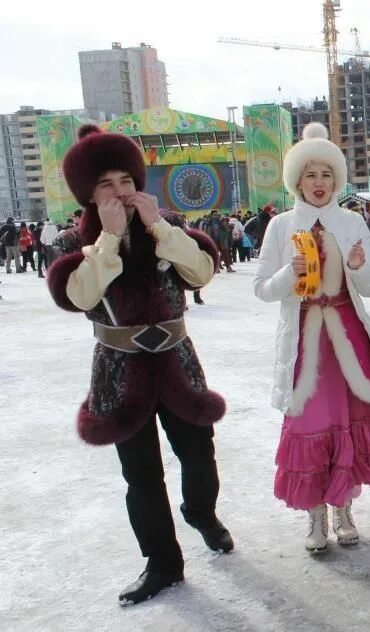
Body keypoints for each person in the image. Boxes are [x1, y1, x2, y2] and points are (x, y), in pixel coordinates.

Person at [46, 124, 232, 605]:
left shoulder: (165, 226)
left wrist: (162, 230)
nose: (119, 192)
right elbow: (79, 294)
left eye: (125, 180)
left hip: (177, 360)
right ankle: (163, 562)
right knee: (142, 474)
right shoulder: (75, 240)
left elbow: (201, 272)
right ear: (89, 192)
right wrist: (107, 241)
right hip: (118, 368)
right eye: (106, 183)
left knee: (198, 452)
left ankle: (201, 512)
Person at [255, 123, 370, 553]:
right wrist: (290, 274)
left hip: (348, 343)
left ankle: (343, 509)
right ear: (296, 180)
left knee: (346, 425)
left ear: (336, 179)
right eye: (310, 175)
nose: (318, 184)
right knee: (310, 425)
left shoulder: (353, 221)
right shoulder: (282, 226)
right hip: (305, 343)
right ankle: (315, 516)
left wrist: (358, 265)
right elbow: (262, 288)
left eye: (326, 175)